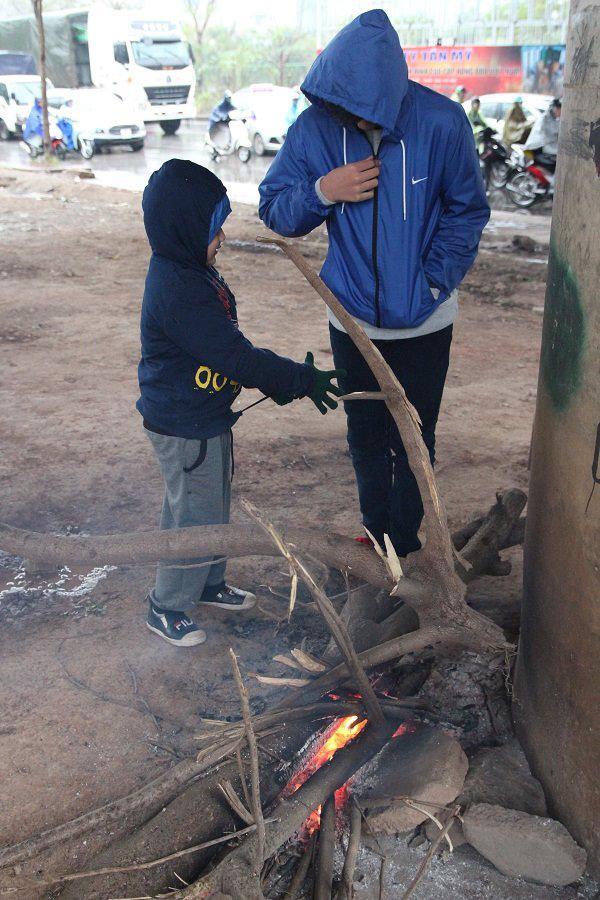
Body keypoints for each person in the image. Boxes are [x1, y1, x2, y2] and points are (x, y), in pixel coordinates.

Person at [259, 9, 489, 558]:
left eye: (360, 113)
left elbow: (467, 211)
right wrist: (323, 190)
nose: (349, 120)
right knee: (364, 433)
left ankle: (405, 544)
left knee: (414, 435)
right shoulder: (315, 126)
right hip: (352, 319)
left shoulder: (441, 122)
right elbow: (275, 210)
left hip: (427, 321)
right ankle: (376, 534)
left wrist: (434, 282)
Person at [137, 160, 344, 647]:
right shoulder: (179, 290)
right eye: (214, 229)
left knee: (211, 506)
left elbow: (229, 347)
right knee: (191, 515)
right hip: (184, 424)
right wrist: (297, 379)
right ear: (186, 231)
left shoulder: (189, 268)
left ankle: (207, 583)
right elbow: (236, 356)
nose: (224, 236)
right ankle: (166, 604)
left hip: (206, 418)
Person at [525, 98, 561, 172]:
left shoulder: (553, 118)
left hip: (546, 145)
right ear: (555, 108)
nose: (561, 112)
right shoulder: (545, 118)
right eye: (560, 109)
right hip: (537, 146)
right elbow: (550, 134)